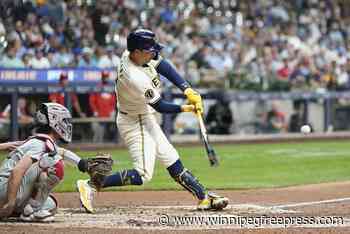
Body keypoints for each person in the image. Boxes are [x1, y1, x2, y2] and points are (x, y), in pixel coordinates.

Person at [77, 29, 229, 213]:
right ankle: (91, 185)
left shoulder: (134, 53)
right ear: (137, 52)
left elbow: (163, 65)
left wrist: (187, 89)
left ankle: (203, 197)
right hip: (134, 121)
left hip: (144, 115)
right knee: (143, 174)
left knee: (171, 157)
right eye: (149, 50)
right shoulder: (135, 77)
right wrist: (186, 108)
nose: (153, 53)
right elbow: (161, 107)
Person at [0, 103, 92, 222]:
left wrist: (82, 163)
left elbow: (61, 152)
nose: (67, 124)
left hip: (7, 189)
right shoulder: (39, 143)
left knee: (50, 205)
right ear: (54, 122)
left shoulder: (41, 141)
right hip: (6, 190)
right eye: (64, 120)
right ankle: (33, 209)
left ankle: (28, 210)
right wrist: (10, 203)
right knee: (54, 162)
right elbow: (17, 171)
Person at [89, 71, 116, 142]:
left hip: (109, 115)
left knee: (114, 131)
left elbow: (113, 101)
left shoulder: (111, 87)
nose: (105, 78)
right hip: (100, 115)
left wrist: (113, 110)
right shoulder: (97, 87)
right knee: (98, 135)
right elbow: (92, 101)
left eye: (107, 77)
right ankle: (96, 148)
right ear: (102, 77)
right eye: (104, 77)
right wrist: (95, 110)